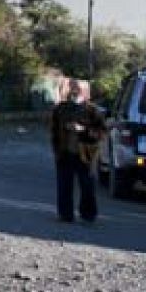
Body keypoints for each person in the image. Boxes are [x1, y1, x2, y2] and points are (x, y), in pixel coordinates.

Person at [50, 78, 105, 224]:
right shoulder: (60, 109)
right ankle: (65, 214)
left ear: (86, 92)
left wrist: (84, 130)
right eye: (73, 87)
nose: (74, 91)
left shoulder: (93, 110)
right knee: (64, 186)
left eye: (78, 88)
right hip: (65, 153)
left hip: (85, 155)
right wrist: (56, 149)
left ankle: (88, 215)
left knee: (87, 186)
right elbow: (54, 130)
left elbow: (101, 132)